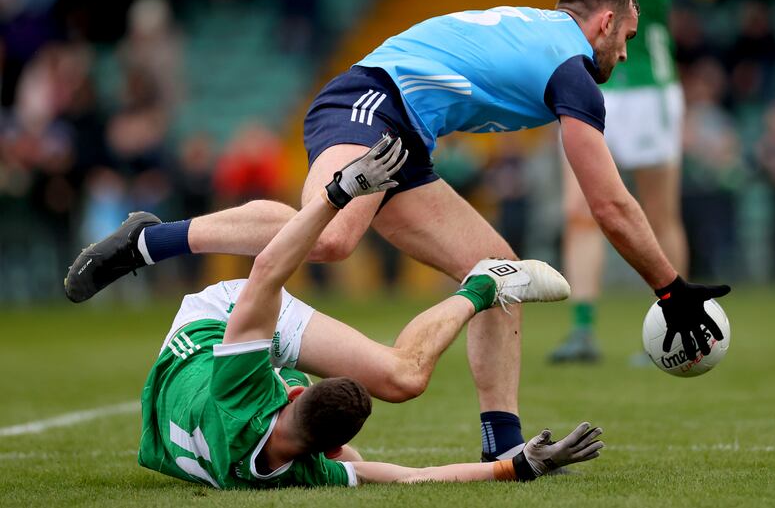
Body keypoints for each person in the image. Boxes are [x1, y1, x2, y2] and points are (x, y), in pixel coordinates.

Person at [66, 0, 729, 462]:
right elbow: (610, 205)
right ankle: (149, 240)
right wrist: (671, 290)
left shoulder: (547, 40)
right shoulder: (574, 68)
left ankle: (501, 448)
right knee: (332, 235)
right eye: (628, 35)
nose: (626, 52)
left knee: (498, 273)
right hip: (372, 100)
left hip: (407, 130)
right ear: (605, 22)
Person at [111, 138, 602, 488]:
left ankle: (152, 240)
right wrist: (515, 468)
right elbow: (411, 479)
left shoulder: (242, 390)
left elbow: (266, 272)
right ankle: (484, 285)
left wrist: (337, 194)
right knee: (402, 379)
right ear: (329, 452)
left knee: (331, 257)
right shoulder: (307, 471)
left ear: (290, 385)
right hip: (193, 390)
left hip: (209, 330)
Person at [491, 0, 719, 363]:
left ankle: (674, 322)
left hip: (651, 91)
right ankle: (582, 329)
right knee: (579, 211)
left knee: (659, 214)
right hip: (588, 82)